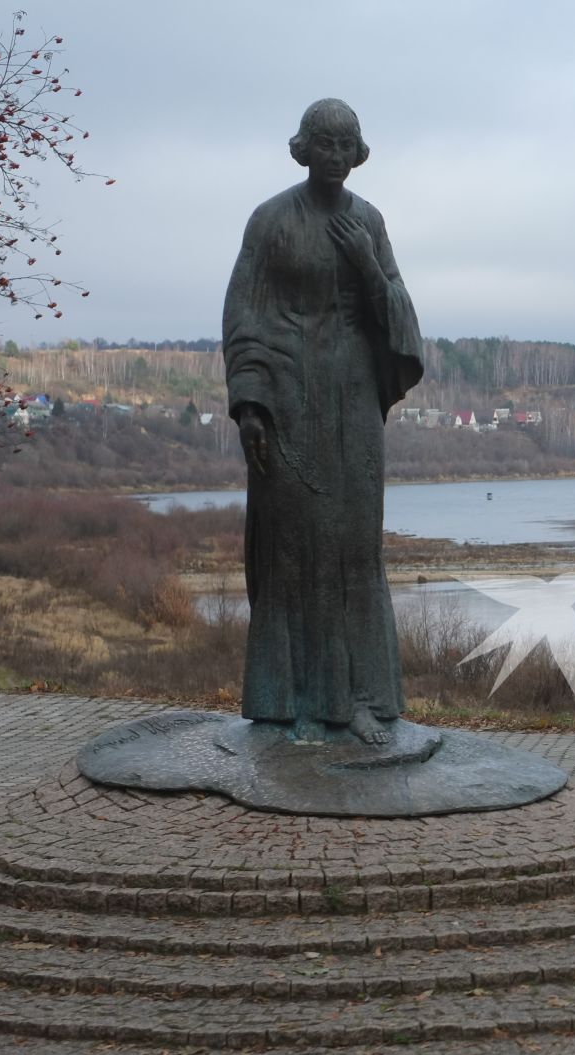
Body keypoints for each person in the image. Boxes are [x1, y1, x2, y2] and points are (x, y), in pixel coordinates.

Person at [222, 99, 425, 745]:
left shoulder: (369, 221)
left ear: (357, 152)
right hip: (288, 402)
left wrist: (367, 262)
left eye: (347, 145)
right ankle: (290, 703)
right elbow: (243, 314)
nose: (335, 156)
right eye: (324, 143)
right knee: (294, 553)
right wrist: (249, 404)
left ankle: (361, 701)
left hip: (354, 402)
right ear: (304, 147)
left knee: (355, 551)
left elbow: (401, 318)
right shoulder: (271, 220)